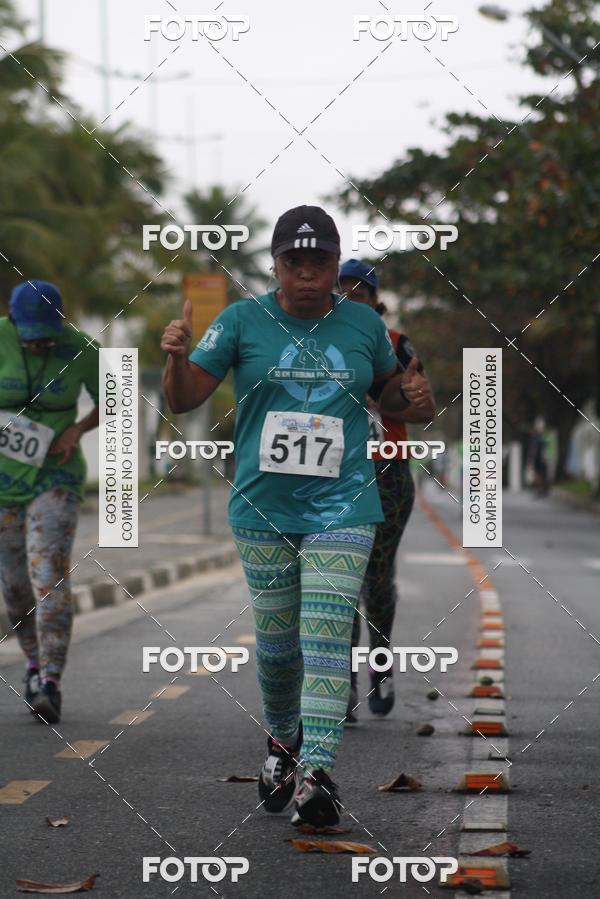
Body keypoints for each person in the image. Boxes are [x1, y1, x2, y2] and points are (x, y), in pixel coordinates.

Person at [161, 206, 416, 827]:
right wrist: (174, 357)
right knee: (277, 649)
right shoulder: (241, 320)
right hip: (262, 507)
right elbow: (184, 397)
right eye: (293, 261)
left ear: (335, 265)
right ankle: (282, 740)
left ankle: (317, 775)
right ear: (275, 266)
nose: (307, 273)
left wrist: (414, 398)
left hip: (344, 504)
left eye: (319, 261)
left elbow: (391, 393)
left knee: (326, 635)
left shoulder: (364, 324)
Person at [338, 260, 435, 721]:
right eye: (342, 291)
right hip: (332, 475)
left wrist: (383, 401)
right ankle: (342, 682)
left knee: (375, 577)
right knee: (338, 579)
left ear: (376, 302)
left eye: (359, 293)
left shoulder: (396, 344)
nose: (349, 298)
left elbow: (424, 411)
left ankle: (380, 663)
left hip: (386, 475)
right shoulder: (319, 341)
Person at [0, 281, 100, 724]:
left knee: (49, 576)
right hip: (3, 481)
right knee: (14, 585)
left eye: (47, 336)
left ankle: (51, 682)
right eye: (31, 337)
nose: (40, 344)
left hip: (55, 475)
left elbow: (115, 398)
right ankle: (32, 665)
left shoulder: (81, 347)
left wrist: (77, 429)